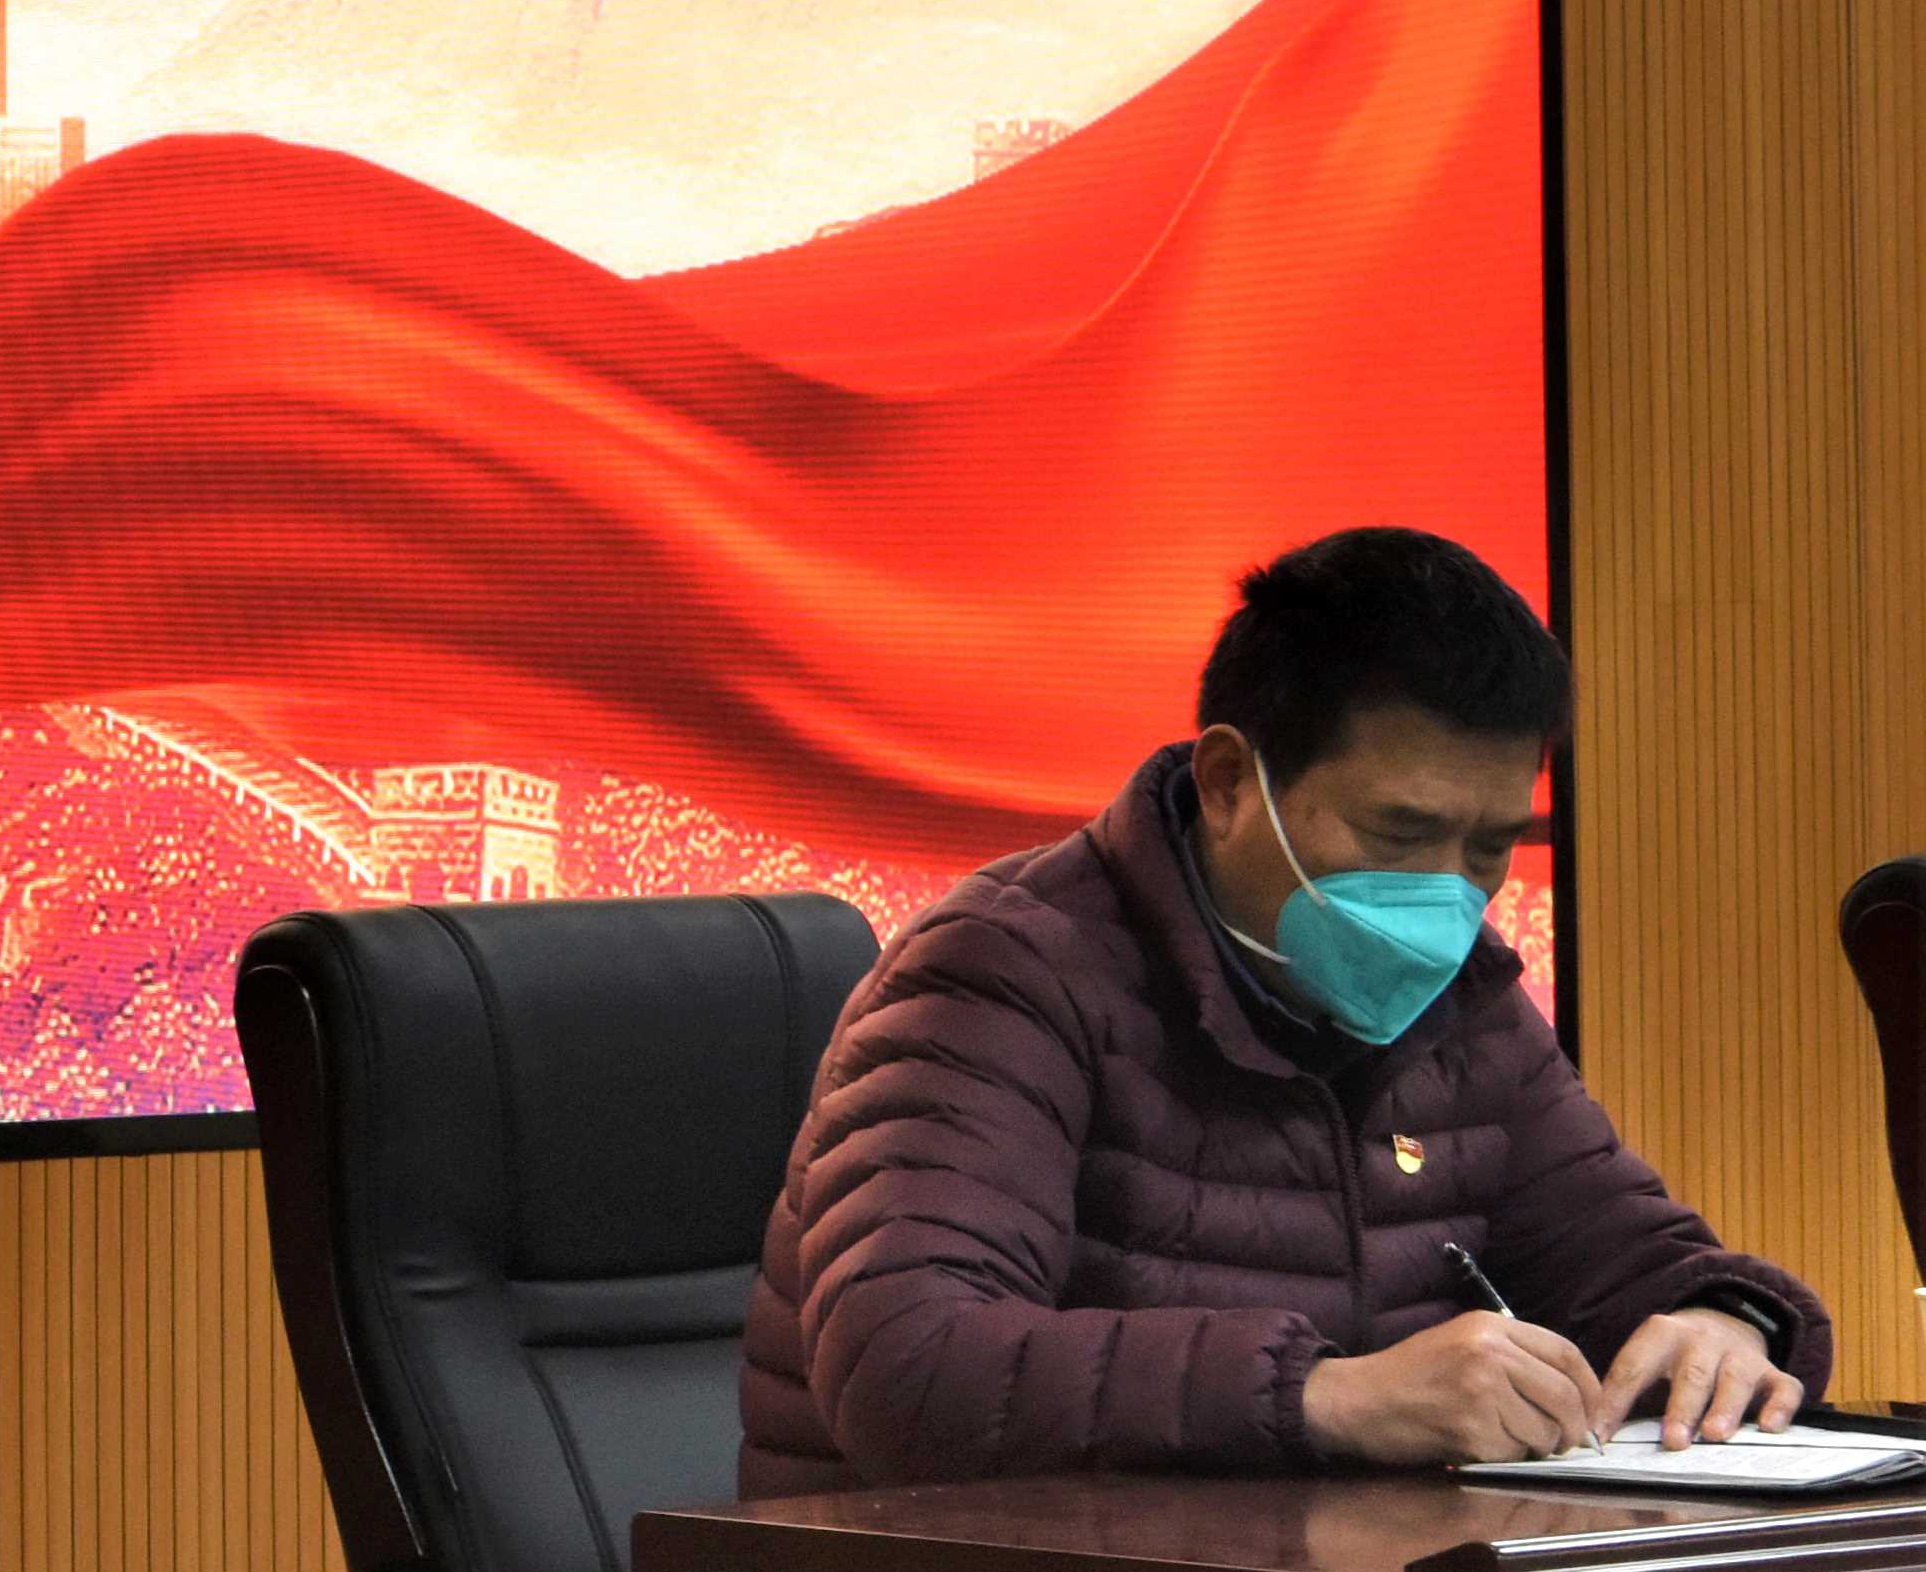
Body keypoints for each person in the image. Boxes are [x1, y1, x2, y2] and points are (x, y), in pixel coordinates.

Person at [746, 528, 1835, 1489]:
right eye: (1399, 834)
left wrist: (1723, 1322)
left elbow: (1629, 1258)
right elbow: (908, 1366)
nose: (1446, 896)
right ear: (1229, 783)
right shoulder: (1004, 972)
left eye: (1489, 847)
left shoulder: (1463, 1005)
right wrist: (1327, 1396)